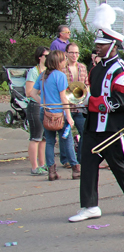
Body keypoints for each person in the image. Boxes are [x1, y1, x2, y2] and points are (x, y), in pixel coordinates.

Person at [71, 4, 124, 222]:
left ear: (113, 45)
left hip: (114, 127)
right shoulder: (97, 68)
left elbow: (118, 102)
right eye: (97, 44)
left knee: (119, 164)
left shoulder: (121, 70)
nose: (97, 47)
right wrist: (83, 102)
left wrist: (91, 102)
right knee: (88, 164)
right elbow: (93, 94)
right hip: (93, 125)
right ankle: (89, 205)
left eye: (101, 44)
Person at [31, 49, 79, 180]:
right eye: (63, 59)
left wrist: (44, 102)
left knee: (49, 142)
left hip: (46, 112)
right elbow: (64, 98)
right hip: (59, 113)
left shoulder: (42, 75)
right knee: (67, 141)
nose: (65, 62)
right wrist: (69, 117)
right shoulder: (60, 75)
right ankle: (75, 169)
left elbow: (33, 93)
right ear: (58, 62)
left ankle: (51, 171)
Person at [63, 42, 89, 165]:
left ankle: (80, 159)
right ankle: (66, 160)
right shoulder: (62, 68)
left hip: (80, 106)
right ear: (66, 54)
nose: (74, 55)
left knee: (84, 131)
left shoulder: (82, 67)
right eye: (72, 52)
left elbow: (87, 84)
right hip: (66, 106)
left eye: (77, 52)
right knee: (65, 134)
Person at [26, 47, 48, 175]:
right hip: (35, 106)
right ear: (40, 57)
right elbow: (28, 92)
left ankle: (42, 164)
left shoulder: (49, 71)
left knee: (44, 138)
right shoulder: (34, 72)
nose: (47, 58)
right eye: (46, 55)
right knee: (36, 137)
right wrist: (43, 89)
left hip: (45, 106)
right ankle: (34, 167)